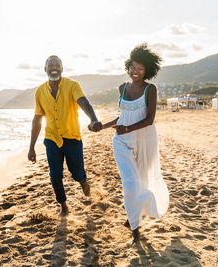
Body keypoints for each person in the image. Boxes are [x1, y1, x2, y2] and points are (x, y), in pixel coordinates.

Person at [99, 43, 169, 243]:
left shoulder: (150, 89)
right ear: (128, 66)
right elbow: (123, 117)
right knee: (130, 184)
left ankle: (133, 216)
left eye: (140, 69)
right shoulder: (122, 88)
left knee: (142, 183)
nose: (135, 72)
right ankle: (135, 229)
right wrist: (103, 126)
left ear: (147, 70)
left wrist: (127, 128)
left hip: (144, 140)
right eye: (133, 67)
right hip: (121, 142)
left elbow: (149, 119)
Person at [28, 55, 102, 216]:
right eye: (50, 65)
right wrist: (31, 147)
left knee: (77, 173)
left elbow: (83, 102)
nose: (54, 67)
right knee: (55, 175)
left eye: (57, 65)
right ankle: (64, 206)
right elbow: (37, 119)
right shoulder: (40, 91)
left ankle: (83, 181)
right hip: (52, 139)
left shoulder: (72, 85)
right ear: (45, 69)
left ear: (62, 69)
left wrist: (93, 119)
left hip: (72, 138)